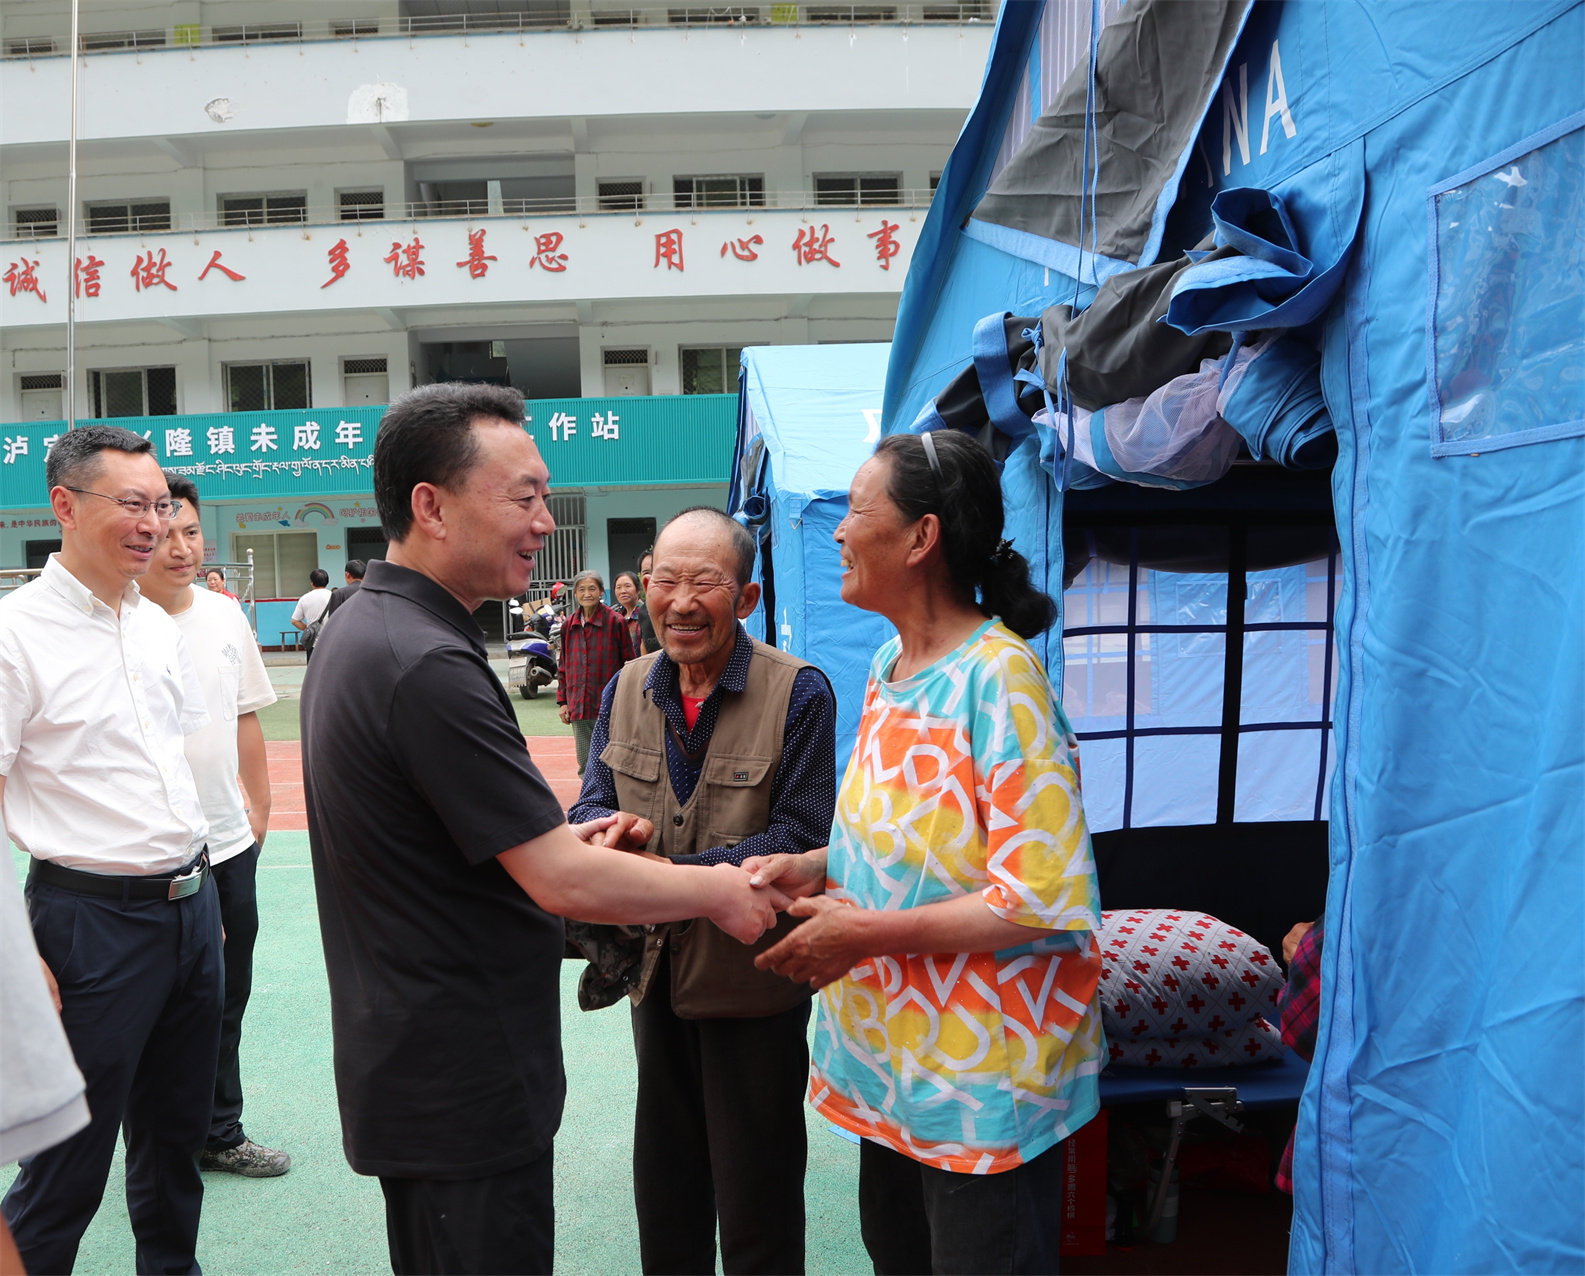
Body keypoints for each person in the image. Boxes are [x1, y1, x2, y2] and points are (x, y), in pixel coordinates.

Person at [300, 382, 784, 1276]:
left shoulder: (372, 628)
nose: (543, 521)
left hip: (422, 1061)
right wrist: (718, 891)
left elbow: (470, 850)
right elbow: (562, 880)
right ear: (431, 507)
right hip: (460, 1078)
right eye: (523, 497)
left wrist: (567, 852)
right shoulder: (424, 660)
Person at [748, 429, 1104, 1276]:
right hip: (892, 1062)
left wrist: (862, 935)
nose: (838, 532)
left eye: (855, 512)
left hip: (977, 1079)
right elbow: (913, 830)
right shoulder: (889, 665)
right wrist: (818, 865)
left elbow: (1033, 896)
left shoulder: (1000, 679)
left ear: (921, 537)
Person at [568, 507, 837, 1276]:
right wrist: (605, 831)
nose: (680, 602)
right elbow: (588, 806)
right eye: (665, 579)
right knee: (667, 1187)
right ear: (644, 584)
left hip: (754, 983)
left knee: (758, 1197)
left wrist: (654, 876)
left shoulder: (799, 693)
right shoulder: (625, 686)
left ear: (745, 597)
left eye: (704, 583)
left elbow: (796, 835)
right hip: (652, 980)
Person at [0, 425, 223, 1276]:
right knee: (67, 1162)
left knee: (175, 1142)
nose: (153, 525)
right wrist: (18, 957)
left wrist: (198, 895)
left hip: (189, 913)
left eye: (161, 505)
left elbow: (166, 773)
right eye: (132, 504)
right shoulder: (15, 635)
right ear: (64, 505)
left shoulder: (155, 625)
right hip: (86, 926)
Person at [141, 474, 290, 1180]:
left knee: (228, 995)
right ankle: (153, 1135)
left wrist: (257, 812)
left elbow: (245, 714)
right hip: (151, 854)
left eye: (191, 531)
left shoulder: (224, 614)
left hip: (228, 845)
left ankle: (218, 1130)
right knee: (149, 1003)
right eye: (164, 533)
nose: (180, 547)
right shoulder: (120, 621)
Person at [557, 569, 636, 776]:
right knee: (585, 763)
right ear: (575, 594)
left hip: (609, 707)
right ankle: (590, 795)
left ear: (601, 591)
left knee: (611, 761)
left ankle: (611, 795)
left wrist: (627, 701)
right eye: (581, 590)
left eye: (592, 589)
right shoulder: (568, 625)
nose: (587, 594)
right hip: (579, 706)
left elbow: (630, 664)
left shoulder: (616, 622)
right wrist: (563, 702)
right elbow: (564, 666)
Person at [291, 568, 332, 656]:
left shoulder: (304, 598)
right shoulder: (334, 596)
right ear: (327, 582)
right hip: (331, 642)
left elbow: (294, 621)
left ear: (312, 583)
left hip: (312, 643)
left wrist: (309, 629)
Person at [611, 570, 646, 655]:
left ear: (638, 590)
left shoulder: (646, 614)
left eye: (627, 586)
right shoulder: (617, 616)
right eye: (618, 587)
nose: (623, 591)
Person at [636, 547, 659, 653]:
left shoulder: (679, 606)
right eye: (646, 572)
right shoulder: (643, 611)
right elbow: (644, 644)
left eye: (656, 570)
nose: (651, 577)